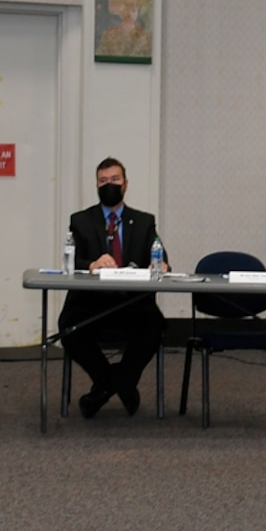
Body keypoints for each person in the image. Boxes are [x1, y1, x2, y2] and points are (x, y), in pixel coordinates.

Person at [60, 157, 167, 418]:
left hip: (131, 303)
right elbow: (73, 261)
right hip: (91, 303)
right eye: (103, 181)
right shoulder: (81, 221)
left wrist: (161, 265)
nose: (109, 185)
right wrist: (94, 263)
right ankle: (121, 385)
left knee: (155, 326)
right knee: (69, 326)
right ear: (96, 186)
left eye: (115, 180)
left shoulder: (144, 222)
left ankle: (105, 388)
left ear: (126, 184)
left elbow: (162, 259)